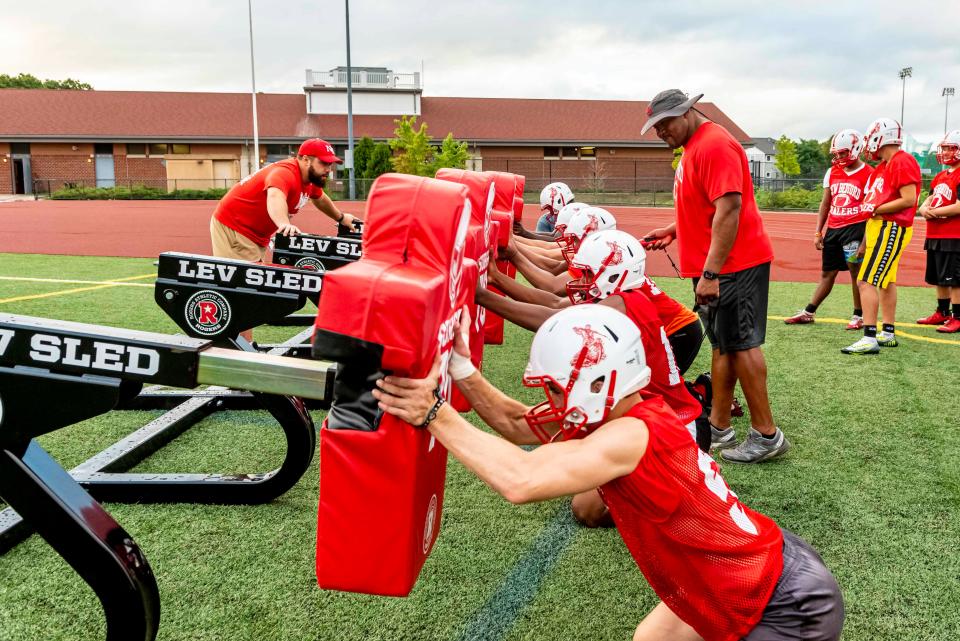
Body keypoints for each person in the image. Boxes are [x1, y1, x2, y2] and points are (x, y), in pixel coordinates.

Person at [372, 304, 844, 641]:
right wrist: (461, 368)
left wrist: (435, 413)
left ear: (598, 382)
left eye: (558, 389)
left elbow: (521, 480)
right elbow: (517, 425)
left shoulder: (628, 437)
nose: (553, 400)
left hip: (779, 603)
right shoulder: (628, 413)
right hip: (749, 567)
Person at [641, 89, 787, 463]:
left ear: (687, 112)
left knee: (742, 344)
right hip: (719, 266)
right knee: (723, 344)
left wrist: (711, 272)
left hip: (733, 265)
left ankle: (767, 435)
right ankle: (719, 426)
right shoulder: (695, 148)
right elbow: (706, 204)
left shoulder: (713, 145)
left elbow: (730, 209)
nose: (660, 132)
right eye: (655, 127)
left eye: (664, 123)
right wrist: (677, 228)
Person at [840, 118, 921, 355]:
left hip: (890, 226)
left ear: (880, 137)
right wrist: (865, 242)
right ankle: (887, 332)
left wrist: (875, 210)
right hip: (879, 228)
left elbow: (908, 199)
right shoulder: (884, 167)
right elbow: (873, 204)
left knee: (865, 280)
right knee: (886, 281)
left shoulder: (902, 161)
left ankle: (869, 337)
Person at [210, 138, 358, 264]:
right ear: (306, 160)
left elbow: (320, 198)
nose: (329, 169)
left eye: (330, 164)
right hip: (236, 227)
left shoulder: (309, 179)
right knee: (243, 286)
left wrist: (341, 217)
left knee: (253, 284)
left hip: (255, 233)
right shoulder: (286, 173)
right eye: (324, 163)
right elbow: (275, 195)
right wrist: (284, 224)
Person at [784, 129, 870, 329]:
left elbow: (870, 211)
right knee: (827, 273)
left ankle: (859, 315)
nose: (839, 157)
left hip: (855, 228)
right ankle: (809, 312)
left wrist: (865, 242)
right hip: (834, 229)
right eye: (837, 153)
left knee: (855, 273)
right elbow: (825, 203)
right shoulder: (832, 172)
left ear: (856, 149)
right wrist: (818, 231)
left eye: (843, 153)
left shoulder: (868, 174)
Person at [916, 129, 960, 333]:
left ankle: (958, 317)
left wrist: (936, 211)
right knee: (939, 277)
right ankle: (942, 312)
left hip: (954, 235)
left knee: (955, 279)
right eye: (943, 148)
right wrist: (924, 209)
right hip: (935, 234)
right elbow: (929, 199)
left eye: (949, 148)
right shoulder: (941, 176)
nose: (944, 152)